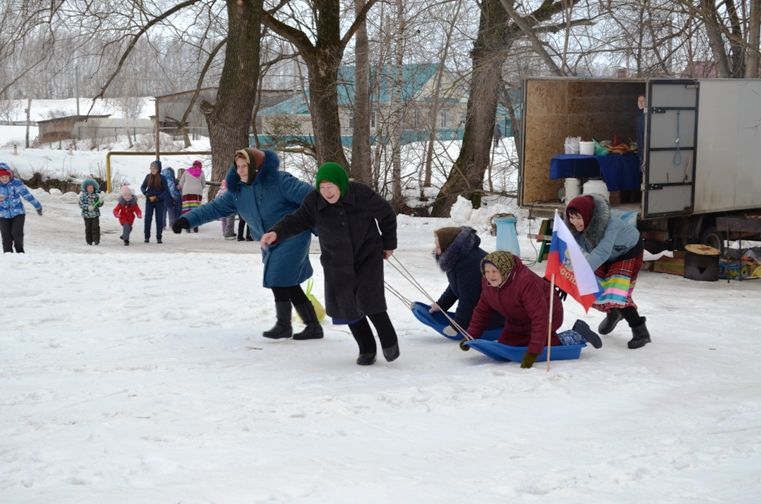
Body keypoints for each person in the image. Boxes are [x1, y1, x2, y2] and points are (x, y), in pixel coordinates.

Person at [173, 148, 322, 341]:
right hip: (267, 240)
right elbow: (214, 208)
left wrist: (327, 222)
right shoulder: (237, 191)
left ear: (258, 166)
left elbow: (312, 197)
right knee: (288, 282)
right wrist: (187, 220)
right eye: (238, 166)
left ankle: (284, 326)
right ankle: (313, 326)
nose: (241, 170)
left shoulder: (280, 181)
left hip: (292, 235)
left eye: (246, 166)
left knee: (278, 276)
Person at [261, 162, 399, 366]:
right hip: (336, 261)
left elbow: (387, 214)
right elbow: (297, 220)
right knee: (347, 305)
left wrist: (388, 244)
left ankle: (388, 339)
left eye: (331, 187)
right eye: (322, 187)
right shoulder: (314, 202)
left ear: (341, 184)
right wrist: (277, 232)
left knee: (369, 298)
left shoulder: (360, 194)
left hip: (367, 255)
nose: (326, 192)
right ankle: (367, 348)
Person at [465, 251, 602, 369]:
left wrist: (534, 352)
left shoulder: (524, 282)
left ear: (504, 269)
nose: (490, 275)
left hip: (548, 313)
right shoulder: (488, 284)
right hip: (518, 318)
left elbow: (540, 316)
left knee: (545, 343)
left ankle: (578, 333)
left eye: (494, 271)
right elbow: (481, 311)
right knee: (507, 343)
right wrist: (470, 336)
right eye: (487, 271)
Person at [565, 194, 650, 349]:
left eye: (578, 217)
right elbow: (569, 254)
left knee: (617, 292)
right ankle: (614, 313)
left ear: (588, 214)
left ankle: (640, 331)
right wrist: (561, 278)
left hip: (628, 251)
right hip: (608, 255)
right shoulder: (574, 230)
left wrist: (578, 273)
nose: (575, 222)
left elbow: (602, 253)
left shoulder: (611, 224)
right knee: (593, 287)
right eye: (571, 217)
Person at [429, 226, 503, 336]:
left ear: (448, 247)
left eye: (438, 247)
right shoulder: (458, 258)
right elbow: (456, 286)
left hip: (496, 315)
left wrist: (457, 326)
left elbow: (468, 299)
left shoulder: (470, 263)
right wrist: (441, 305)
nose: (435, 250)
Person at [0, 162, 43, 253]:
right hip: (3, 215)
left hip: (18, 213)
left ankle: (20, 252)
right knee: (6, 237)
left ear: (10, 175)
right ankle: (8, 255)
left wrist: (37, 206)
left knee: (17, 234)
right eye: (2, 177)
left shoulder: (16, 183)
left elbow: (27, 195)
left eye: (6, 177)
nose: (4, 179)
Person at [141, 160, 168, 243]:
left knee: (159, 219)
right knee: (148, 219)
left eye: (155, 168)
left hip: (159, 201)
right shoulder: (148, 177)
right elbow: (142, 187)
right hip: (149, 201)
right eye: (151, 168)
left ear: (158, 169)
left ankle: (159, 237)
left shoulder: (162, 178)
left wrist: (158, 197)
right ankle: (147, 237)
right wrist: (146, 194)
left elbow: (166, 191)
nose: (153, 169)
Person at [178, 160, 205, 233]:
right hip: (197, 193)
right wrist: (198, 188)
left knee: (187, 210)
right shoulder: (201, 172)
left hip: (187, 192)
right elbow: (203, 184)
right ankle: (195, 226)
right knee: (196, 210)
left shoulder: (186, 172)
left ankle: (187, 227)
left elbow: (181, 183)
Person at [78, 178, 103, 245]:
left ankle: (96, 240)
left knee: (95, 227)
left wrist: (101, 202)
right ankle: (89, 241)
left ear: (94, 188)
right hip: (86, 215)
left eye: (92, 188)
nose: (90, 189)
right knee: (88, 228)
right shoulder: (83, 196)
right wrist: (87, 207)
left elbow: (99, 205)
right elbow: (80, 204)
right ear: (86, 188)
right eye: (89, 188)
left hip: (95, 214)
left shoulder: (96, 195)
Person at [635, 94, 646, 171]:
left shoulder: (646, 115)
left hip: (645, 146)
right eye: (639, 101)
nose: (640, 102)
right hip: (640, 146)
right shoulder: (638, 114)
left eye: (643, 101)